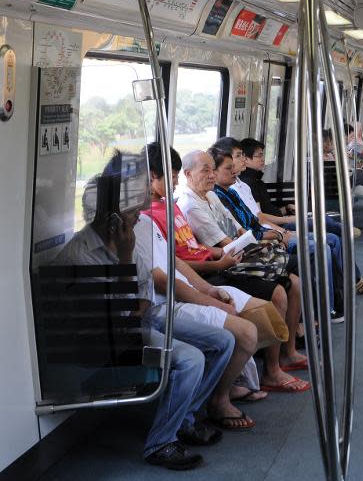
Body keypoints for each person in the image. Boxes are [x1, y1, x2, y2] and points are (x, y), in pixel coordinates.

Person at [55, 151, 234, 470]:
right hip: (103, 344)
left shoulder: (128, 241)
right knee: (190, 359)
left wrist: (134, 294)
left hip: (133, 325)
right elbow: (118, 321)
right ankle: (161, 443)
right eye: (132, 213)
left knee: (223, 340)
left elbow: (142, 300)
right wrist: (124, 263)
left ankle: (184, 420)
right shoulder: (81, 257)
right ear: (111, 219)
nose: (139, 217)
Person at [142, 143, 308, 374]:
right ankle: (272, 369)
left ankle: (288, 346)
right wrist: (217, 267)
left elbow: (198, 246)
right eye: (172, 177)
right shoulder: (163, 213)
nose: (176, 183)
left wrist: (223, 254)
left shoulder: (175, 206)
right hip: (208, 272)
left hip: (218, 262)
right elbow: (170, 268)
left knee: (293, 277)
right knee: (278, 290)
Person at [228, 137, 363, 294]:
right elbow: (260, 218)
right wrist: (287, 222)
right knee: (329, 232)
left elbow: (264, 211)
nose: (262, 159)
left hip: (278, 222)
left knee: (326, 225)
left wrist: (286, 208)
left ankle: (348, 270)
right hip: (276, 227)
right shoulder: (246, 184)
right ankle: (350, 279)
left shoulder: (251, 182)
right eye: (258, 155)